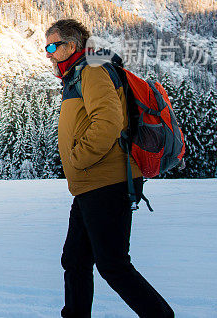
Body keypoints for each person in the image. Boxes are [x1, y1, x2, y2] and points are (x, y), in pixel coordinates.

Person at [45, 19, 174, 318]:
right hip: (91, 185)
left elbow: (108, 121)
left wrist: (79, 159)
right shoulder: (77, 75)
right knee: (75, 259)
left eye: (53, 46)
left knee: (113, 265)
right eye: (46, 47)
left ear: (72, 46)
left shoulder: (92, 70)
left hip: (106, 181)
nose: (48, 53)